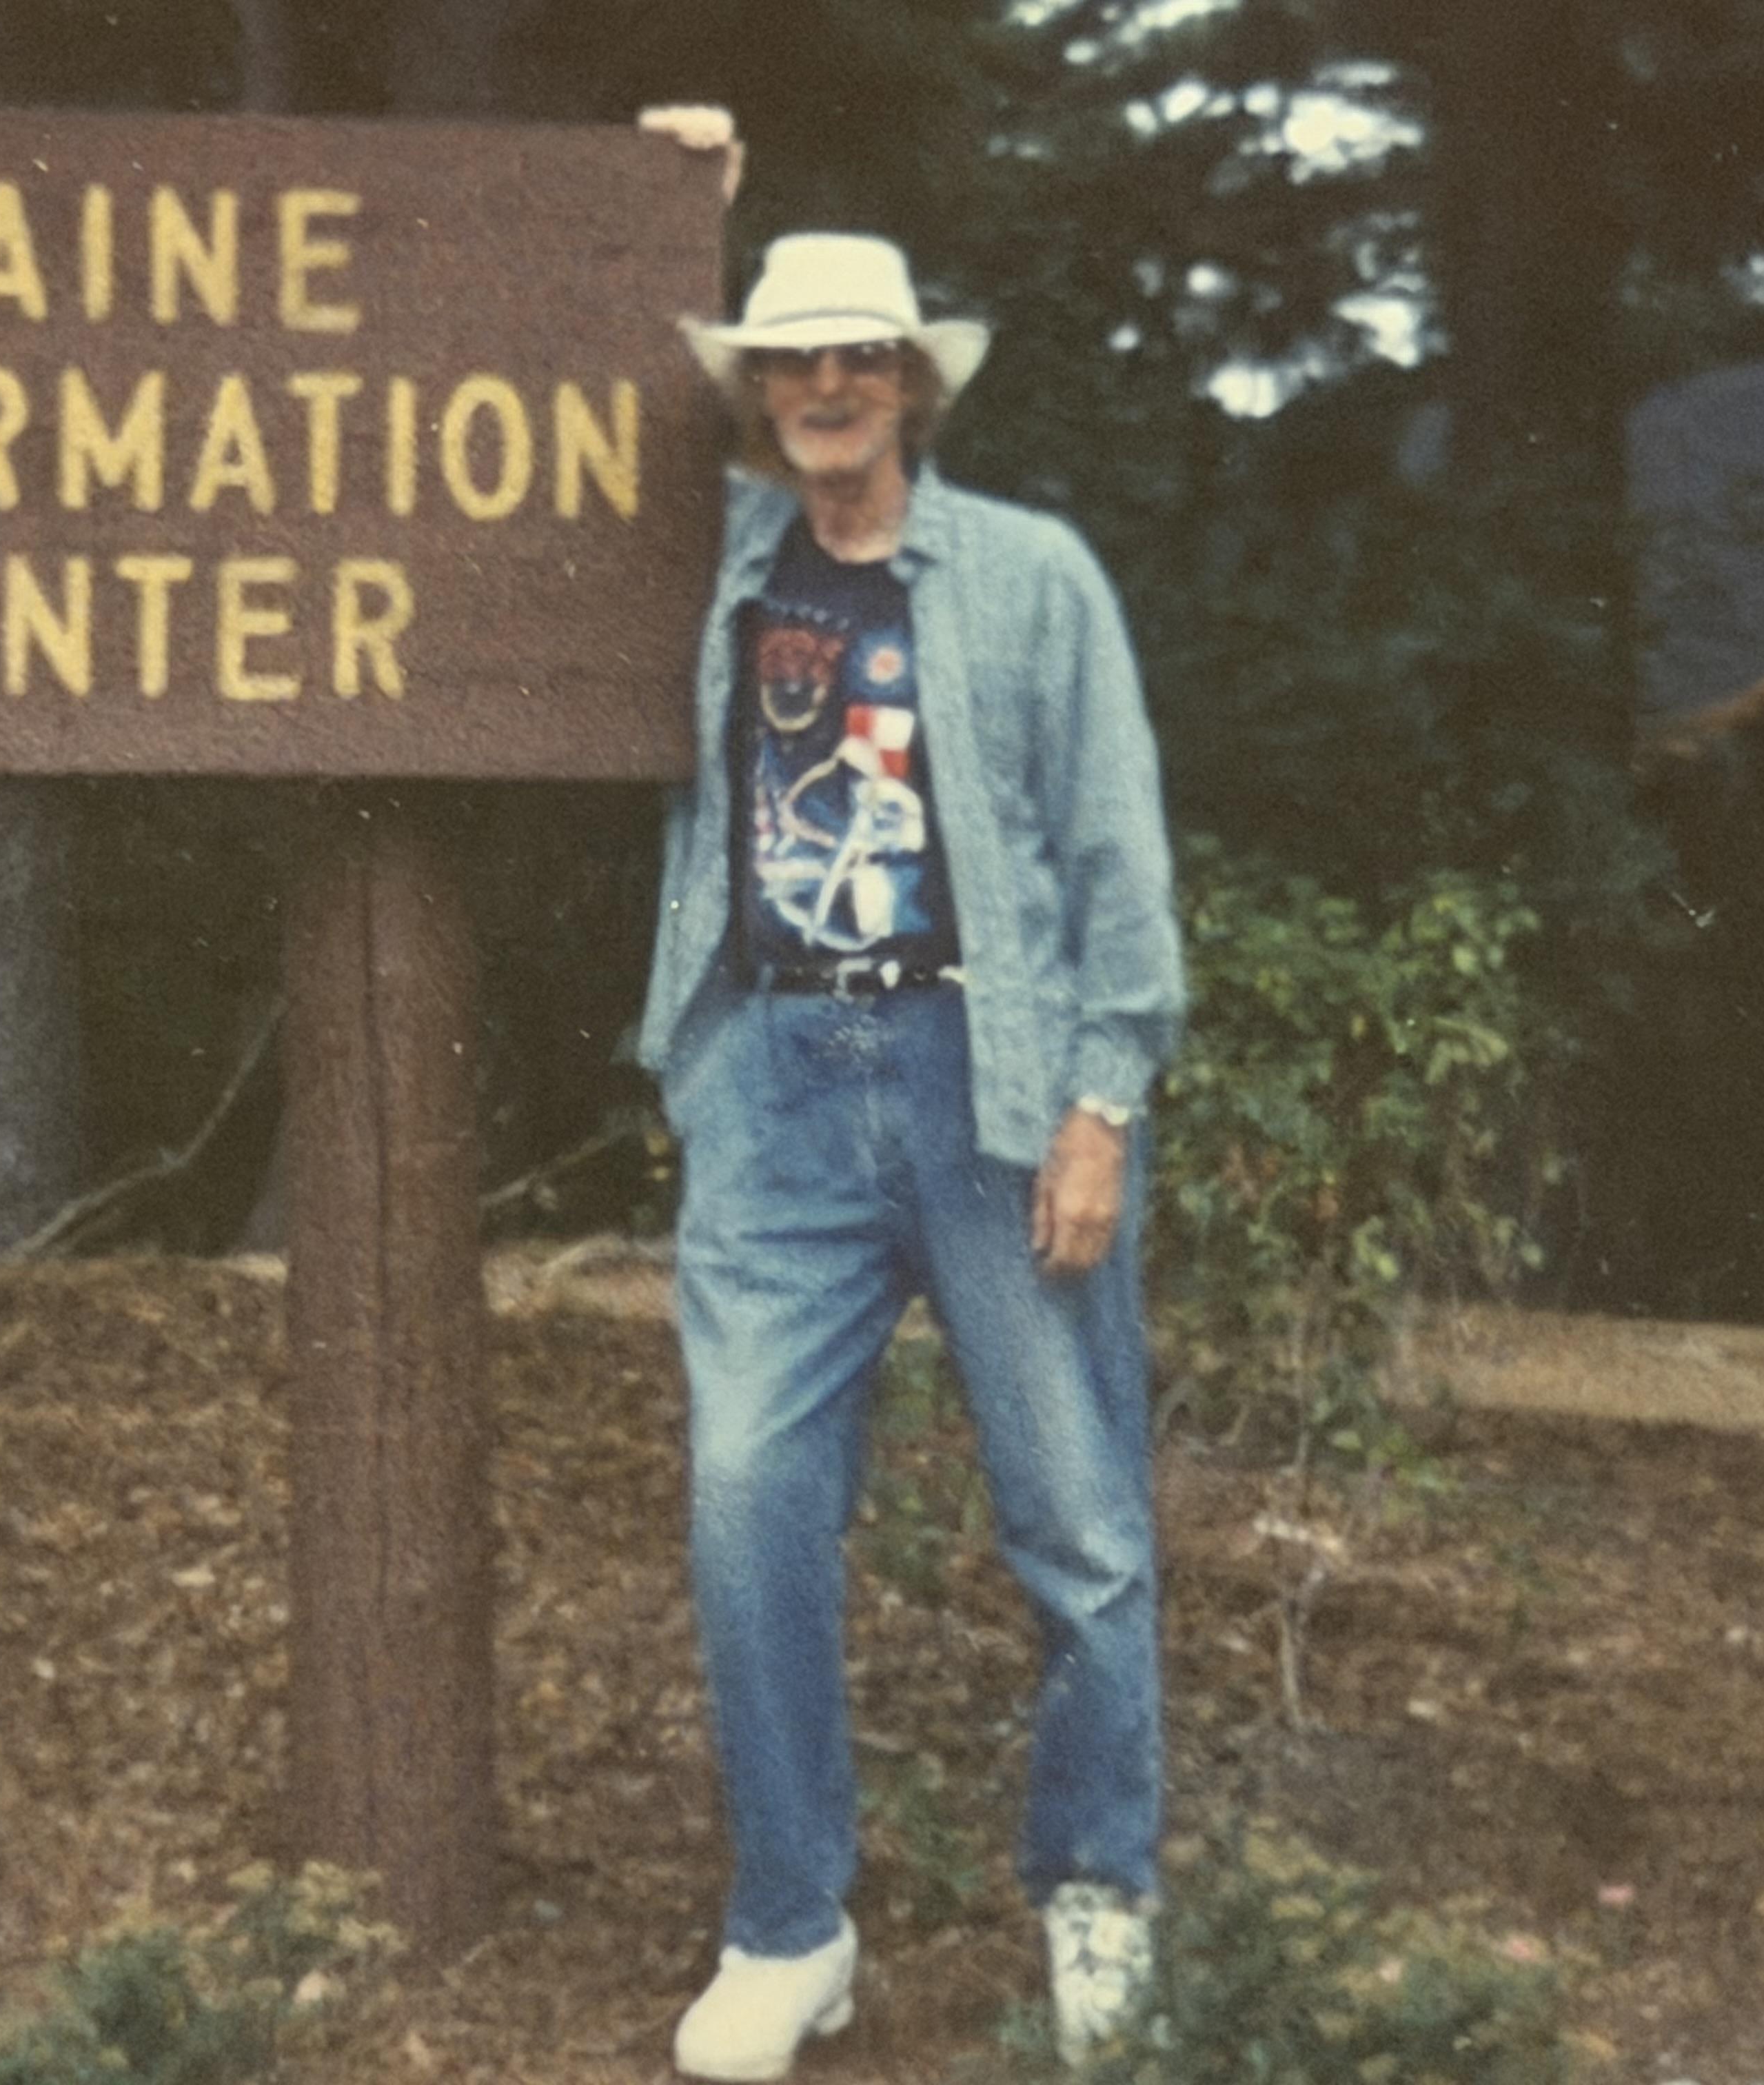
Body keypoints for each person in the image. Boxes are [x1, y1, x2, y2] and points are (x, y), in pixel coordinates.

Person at [636, 225, 1186, 2079]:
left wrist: (1100, 1101)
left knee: (1082, 1527)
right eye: (792, 364)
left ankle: (1098, 1893)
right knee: (749, 1514)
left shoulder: (1032, 579)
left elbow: (1119, 861)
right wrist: (679, 180)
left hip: (994, 1083)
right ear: (757, 398)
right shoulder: (716, 567)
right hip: (778, 1086)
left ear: (915, 384)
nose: (826, 388)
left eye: (860, 357)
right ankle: (795, 1927)